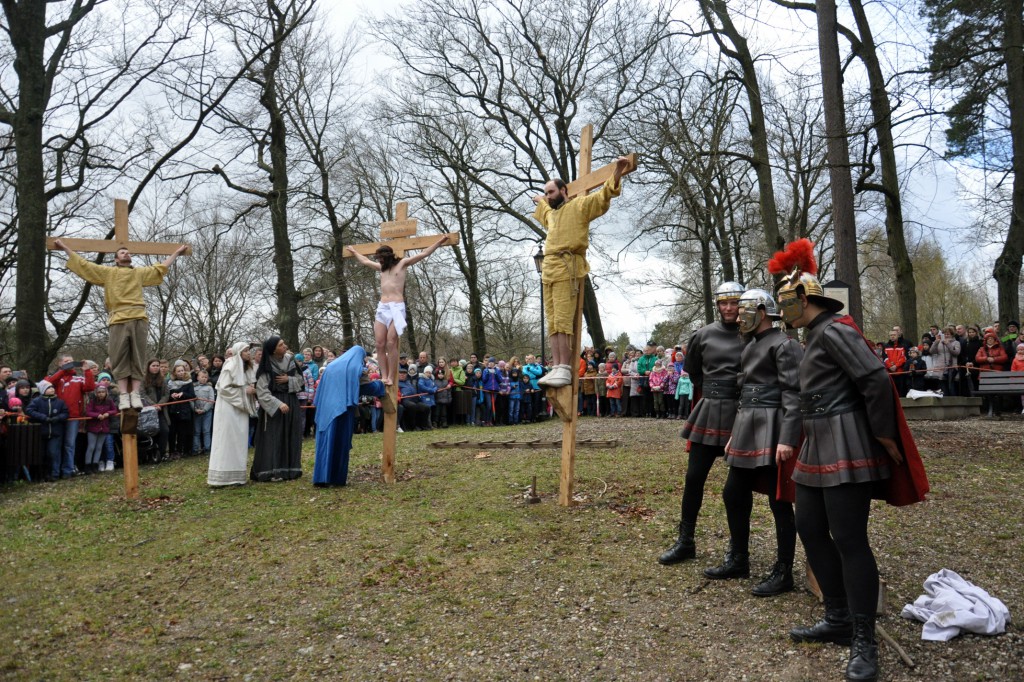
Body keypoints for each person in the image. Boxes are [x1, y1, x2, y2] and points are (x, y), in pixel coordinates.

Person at [769, 239, 928, 682]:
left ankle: (864, 638)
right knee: (810, 529)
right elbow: (802, 398)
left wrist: (881, 434)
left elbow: (876, 379)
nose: (782, 309)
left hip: (846, 441)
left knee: (849, 538)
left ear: (804, 298)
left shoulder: (836, 329)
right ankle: (837, 619)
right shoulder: (812, 336)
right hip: (816, 442)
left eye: (785, 301)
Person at [706, 289, 801, 597]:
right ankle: (739, 558)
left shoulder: (786, 345)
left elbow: (793, 393)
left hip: (774, 426)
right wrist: (736, 429)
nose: (738, 315)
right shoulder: (748, 345)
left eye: (745, 310)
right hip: (747, 423)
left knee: (779, 501)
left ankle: (784, 570)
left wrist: (788, 437)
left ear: (762, 312)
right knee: (733, 491)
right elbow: (744, 391)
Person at [659, 281, 746, 566]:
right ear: (718, 305)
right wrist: (713, 393)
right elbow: (694, 371)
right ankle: (686, 541)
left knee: (739, 486)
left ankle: (738, 550)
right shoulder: (702, 335)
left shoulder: (752, 334)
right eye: (724, 303)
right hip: (709, 410)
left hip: (742, 414)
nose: (729, 308)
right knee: (694, 478)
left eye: (734, 303)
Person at [53, 238, 188, 410]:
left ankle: (135, 393)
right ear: (116, 259)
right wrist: (65, 248)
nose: (127, 253)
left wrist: (175, 252)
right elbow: (85, 265)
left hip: (139, 317)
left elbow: (160, 268)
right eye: (122, 252)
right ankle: (124, 394)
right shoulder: (108, 273)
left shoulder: (138, 273)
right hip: (118, 318)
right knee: (118, 357)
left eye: (128, 252)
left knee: (138, 357)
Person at [533, 156, 631, 387]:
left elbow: (603, 196)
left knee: (564, 320)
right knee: (553, 321)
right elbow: (545, 211)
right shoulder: (552, 214)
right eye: (545, 193)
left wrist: (617, 170)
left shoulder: (579, 206)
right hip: (549, 269)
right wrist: (540, 200)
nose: (547, 196)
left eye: (550, 192)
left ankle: (565, 367)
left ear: (563, 190)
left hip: (567, 268)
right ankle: (556, 365)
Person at [346, 236, 448, 387]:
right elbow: (365, 261)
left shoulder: (402, 264)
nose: (379, 261)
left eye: (381, 258)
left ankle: (392, 376)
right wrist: (354, 252)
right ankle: (384, 375)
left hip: (397, 307)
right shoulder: (381, 269)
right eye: (378, 258)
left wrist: (440, 241)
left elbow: (423, 254)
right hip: (383, 307)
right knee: (379, 344)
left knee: (390, 342)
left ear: (387, 257)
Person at [313, 346, 385, 486]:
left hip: (325, 409)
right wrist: (380, 385)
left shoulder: (331, 366)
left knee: (324, 442)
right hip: (342, 409)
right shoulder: (355, 369)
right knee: (339, 442)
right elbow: (365, 387)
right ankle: (335, 478)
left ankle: (321, 478)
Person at [251, 335, 304, 482]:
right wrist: (278, 404)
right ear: (273, 350)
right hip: (275, 406)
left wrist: (289, 379)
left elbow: (301, 381)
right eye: (281, 345)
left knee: (290, 435)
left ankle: (289, 470)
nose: (285, 346)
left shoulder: (291, 361)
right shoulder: (266, 366)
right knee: (274, 437)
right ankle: (272, 471)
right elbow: (261, 391)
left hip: (291, 402)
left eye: (283, 343)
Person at [207, 342, 257, 487]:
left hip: (240, 409)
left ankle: (237, 476)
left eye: (249, 350)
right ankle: (222, 477)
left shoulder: (246, 367)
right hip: (228, 408)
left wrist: (251, 389)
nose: (249, 353)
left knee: (239, 440)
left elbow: (248, 384)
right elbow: (223, 388)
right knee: (226, 439)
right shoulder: (230, 365)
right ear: (239, 352)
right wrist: (244, 391)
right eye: (246, 350)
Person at [44, 356, 96, 478]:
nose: (69, 363)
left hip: (73, 417)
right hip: (56, 417)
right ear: (60, 363)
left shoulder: (78, 379)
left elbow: (90, 387)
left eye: (71, 361)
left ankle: (68, 471)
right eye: (66, 361)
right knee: (56, 446)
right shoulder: (55, 377)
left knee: (69, 444)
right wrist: (62, 370)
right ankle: (55, 472)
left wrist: (87, 371)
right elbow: (48, 384)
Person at [26, 382, 69, 482]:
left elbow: (65, 413)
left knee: (53, 453)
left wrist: (57, 418)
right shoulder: (36, 401)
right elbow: (29, 410)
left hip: (55, 432)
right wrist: (43, 417)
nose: (52, 389)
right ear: (43, 390)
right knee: (42, 454)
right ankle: (43, 475)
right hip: (41, 432)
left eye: (52, 387)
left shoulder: (60, 402)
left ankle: (54, 474)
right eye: (48, 388)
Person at [84, 385, 117, 474]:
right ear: (96, 393)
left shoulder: (109, 401)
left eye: (103, 392)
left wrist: (108, 413)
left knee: (99, 447)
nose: (101, 394)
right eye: (99, 392)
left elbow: (114, 410)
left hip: (104, 427)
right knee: (91, 447)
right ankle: (87, 465)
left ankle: (95, 464)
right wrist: (97, 415)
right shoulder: (92, 401)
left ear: (106, 393)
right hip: (93, 427)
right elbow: (88, 412)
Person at [166, 361, 196, 459]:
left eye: (182, 371)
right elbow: (167, 396)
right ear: (174, 372)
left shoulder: (188, 382)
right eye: (178, 371)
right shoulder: (170, 383)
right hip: (173, 410)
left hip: (184, 410)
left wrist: (182, 394)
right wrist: (172, 395)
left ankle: (179, 451)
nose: (181, 373)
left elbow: (192, 395)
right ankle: (171, 451)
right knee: (172, 432)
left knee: (181, 432)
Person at [142, 358, 170, 461]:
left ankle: (162, 453)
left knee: (165, 430)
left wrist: (160, 404)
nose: (156, 367)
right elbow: (143, 394)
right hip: (149, 411)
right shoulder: (143, 379)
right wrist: (153, 405)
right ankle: (151, 453)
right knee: (152, 432)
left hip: (161, 410)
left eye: (157, 366)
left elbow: (166, 394)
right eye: (153, 365)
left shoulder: (162, 379)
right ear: (149, 367)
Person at [192, 370, 215, 455]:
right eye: (202, 377)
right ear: (198, 377)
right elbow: (191, 400)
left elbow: (211, 400)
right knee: (196, 431)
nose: (204, 379)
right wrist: (195, 409)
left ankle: (207, 448)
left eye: (206, 377)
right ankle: (195, 449)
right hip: (196, 412)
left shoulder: (209, 388)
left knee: (206, 430)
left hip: (207, 412)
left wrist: (204, 409)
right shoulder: (194, 388)